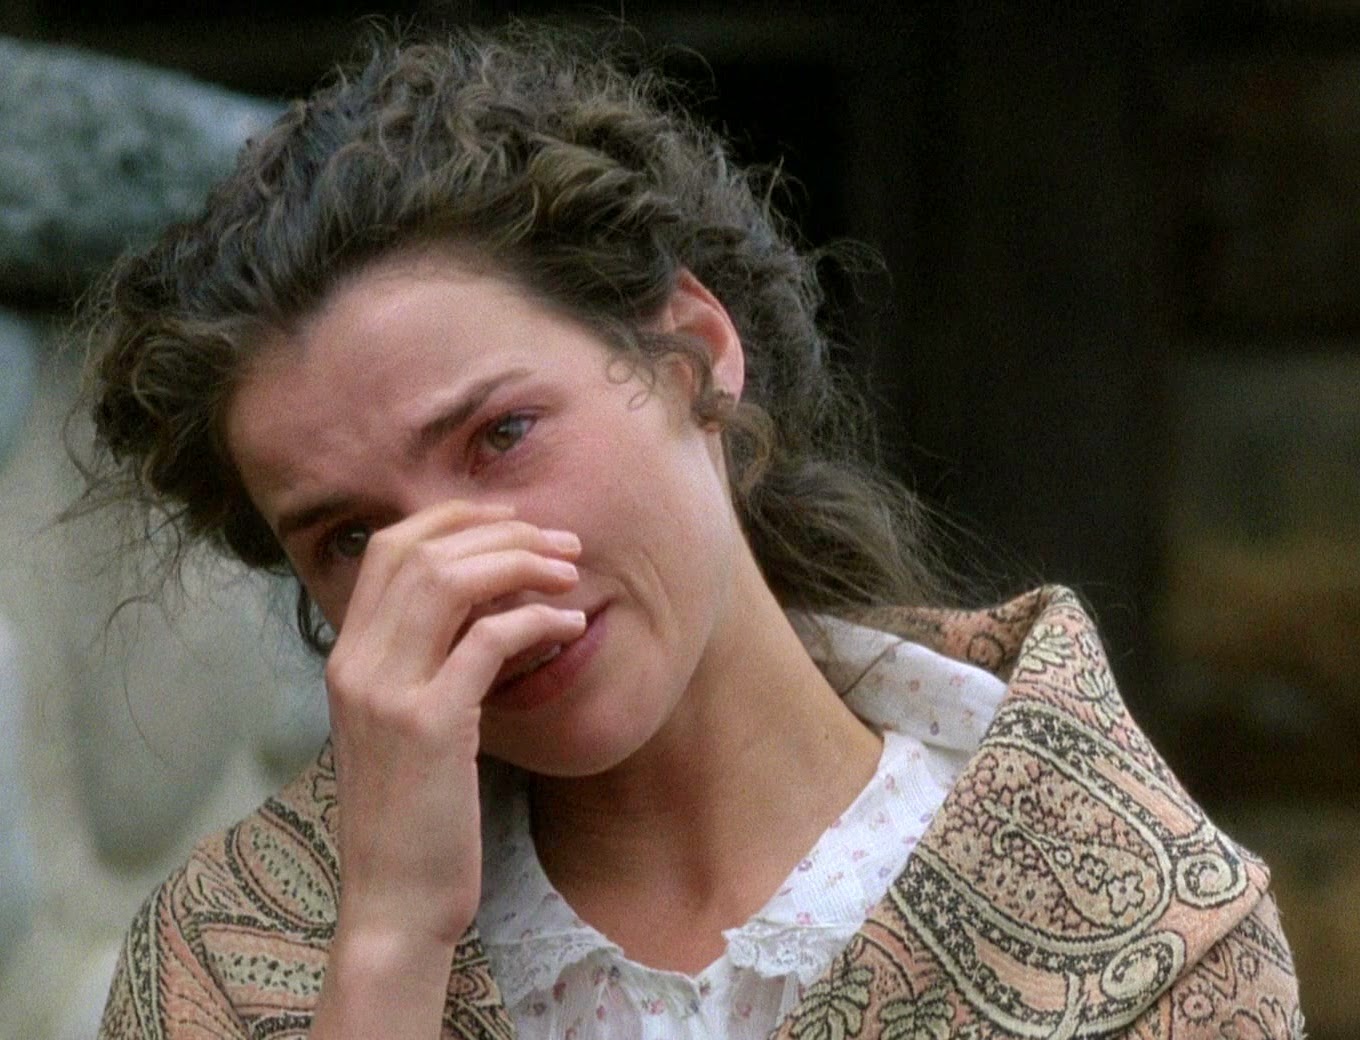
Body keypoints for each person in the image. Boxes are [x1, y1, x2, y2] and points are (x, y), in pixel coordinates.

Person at [80, 24, 1301, 1040]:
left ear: (696, 354)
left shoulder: (1155, 937)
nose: (463, 574)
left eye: (502, 434)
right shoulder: (225, 962)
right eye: (349, 536)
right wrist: (392, 937)